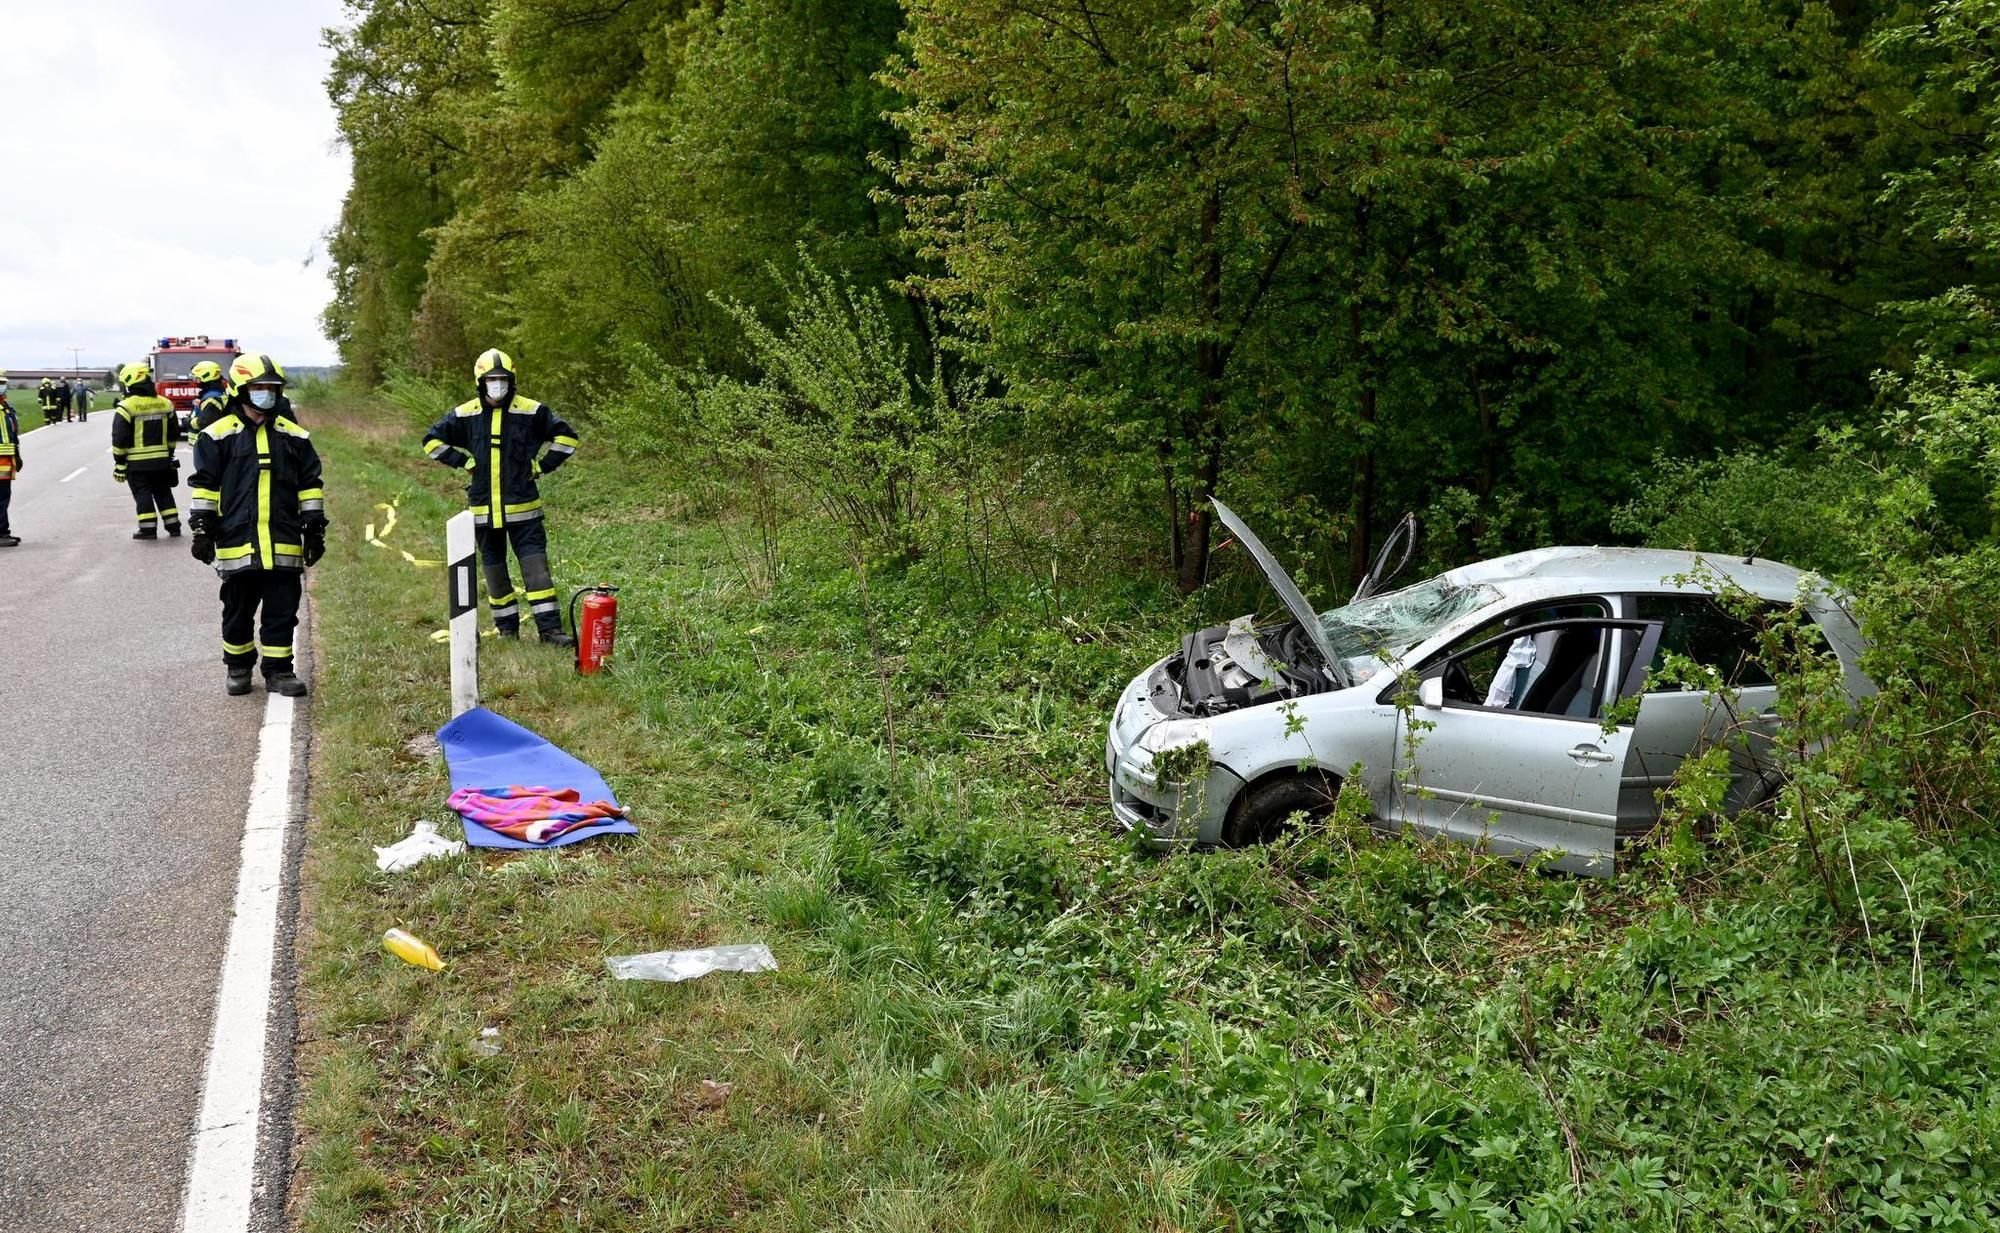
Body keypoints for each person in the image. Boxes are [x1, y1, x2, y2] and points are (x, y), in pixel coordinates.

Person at [188, 353, 326, 697]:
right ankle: (238, 667)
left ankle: (279, 671)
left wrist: (314, 528)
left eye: (272, 388)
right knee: (237, 611)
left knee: (282, 611)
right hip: (237, 542)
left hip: (283, 540)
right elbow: (205, 486)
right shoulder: (216, 436)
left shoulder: (294, 436)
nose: (267, 394)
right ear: (240, 389)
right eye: (259, 387)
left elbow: (310, 484)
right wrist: (202, 529)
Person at [421, 348, 578, 646]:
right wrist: (462, 461)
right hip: (483, 511)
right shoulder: (465, 414)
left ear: (512, 380)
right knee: (495, 573)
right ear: (481, 381)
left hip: (525, 512)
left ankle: (550, 631)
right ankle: (507, 631)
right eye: (492, 379)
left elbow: (568, 437)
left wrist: (543, 466)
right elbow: (431, 441)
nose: (498, 384)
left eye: (503, 378)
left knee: (536, 571)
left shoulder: (531, 411)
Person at [109, 361, 183, 539]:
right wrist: (169, 453)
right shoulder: (166, 404)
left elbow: (120, 439)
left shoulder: (126, 407)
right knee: (164, 492)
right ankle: (174, 526)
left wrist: (119, 463)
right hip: (162, 461)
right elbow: (174, 433)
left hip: (137, 464)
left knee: (143, 494)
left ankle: (148, 529)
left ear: (130, 382)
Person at [0, 371, 21, 547]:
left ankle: (4, 531)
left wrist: (17, 455)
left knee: (3, 496)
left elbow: (12, 435)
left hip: (6, 460)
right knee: (0, 497)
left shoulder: (5, 406)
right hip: (1, 461)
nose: (3, 385)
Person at [189, 360, 230, 432]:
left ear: (205, 376)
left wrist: (187, 422)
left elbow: (204, 422)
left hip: (205, 441)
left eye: (197, 378)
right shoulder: (214, 393)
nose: (195, 381)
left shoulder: (211, 399)